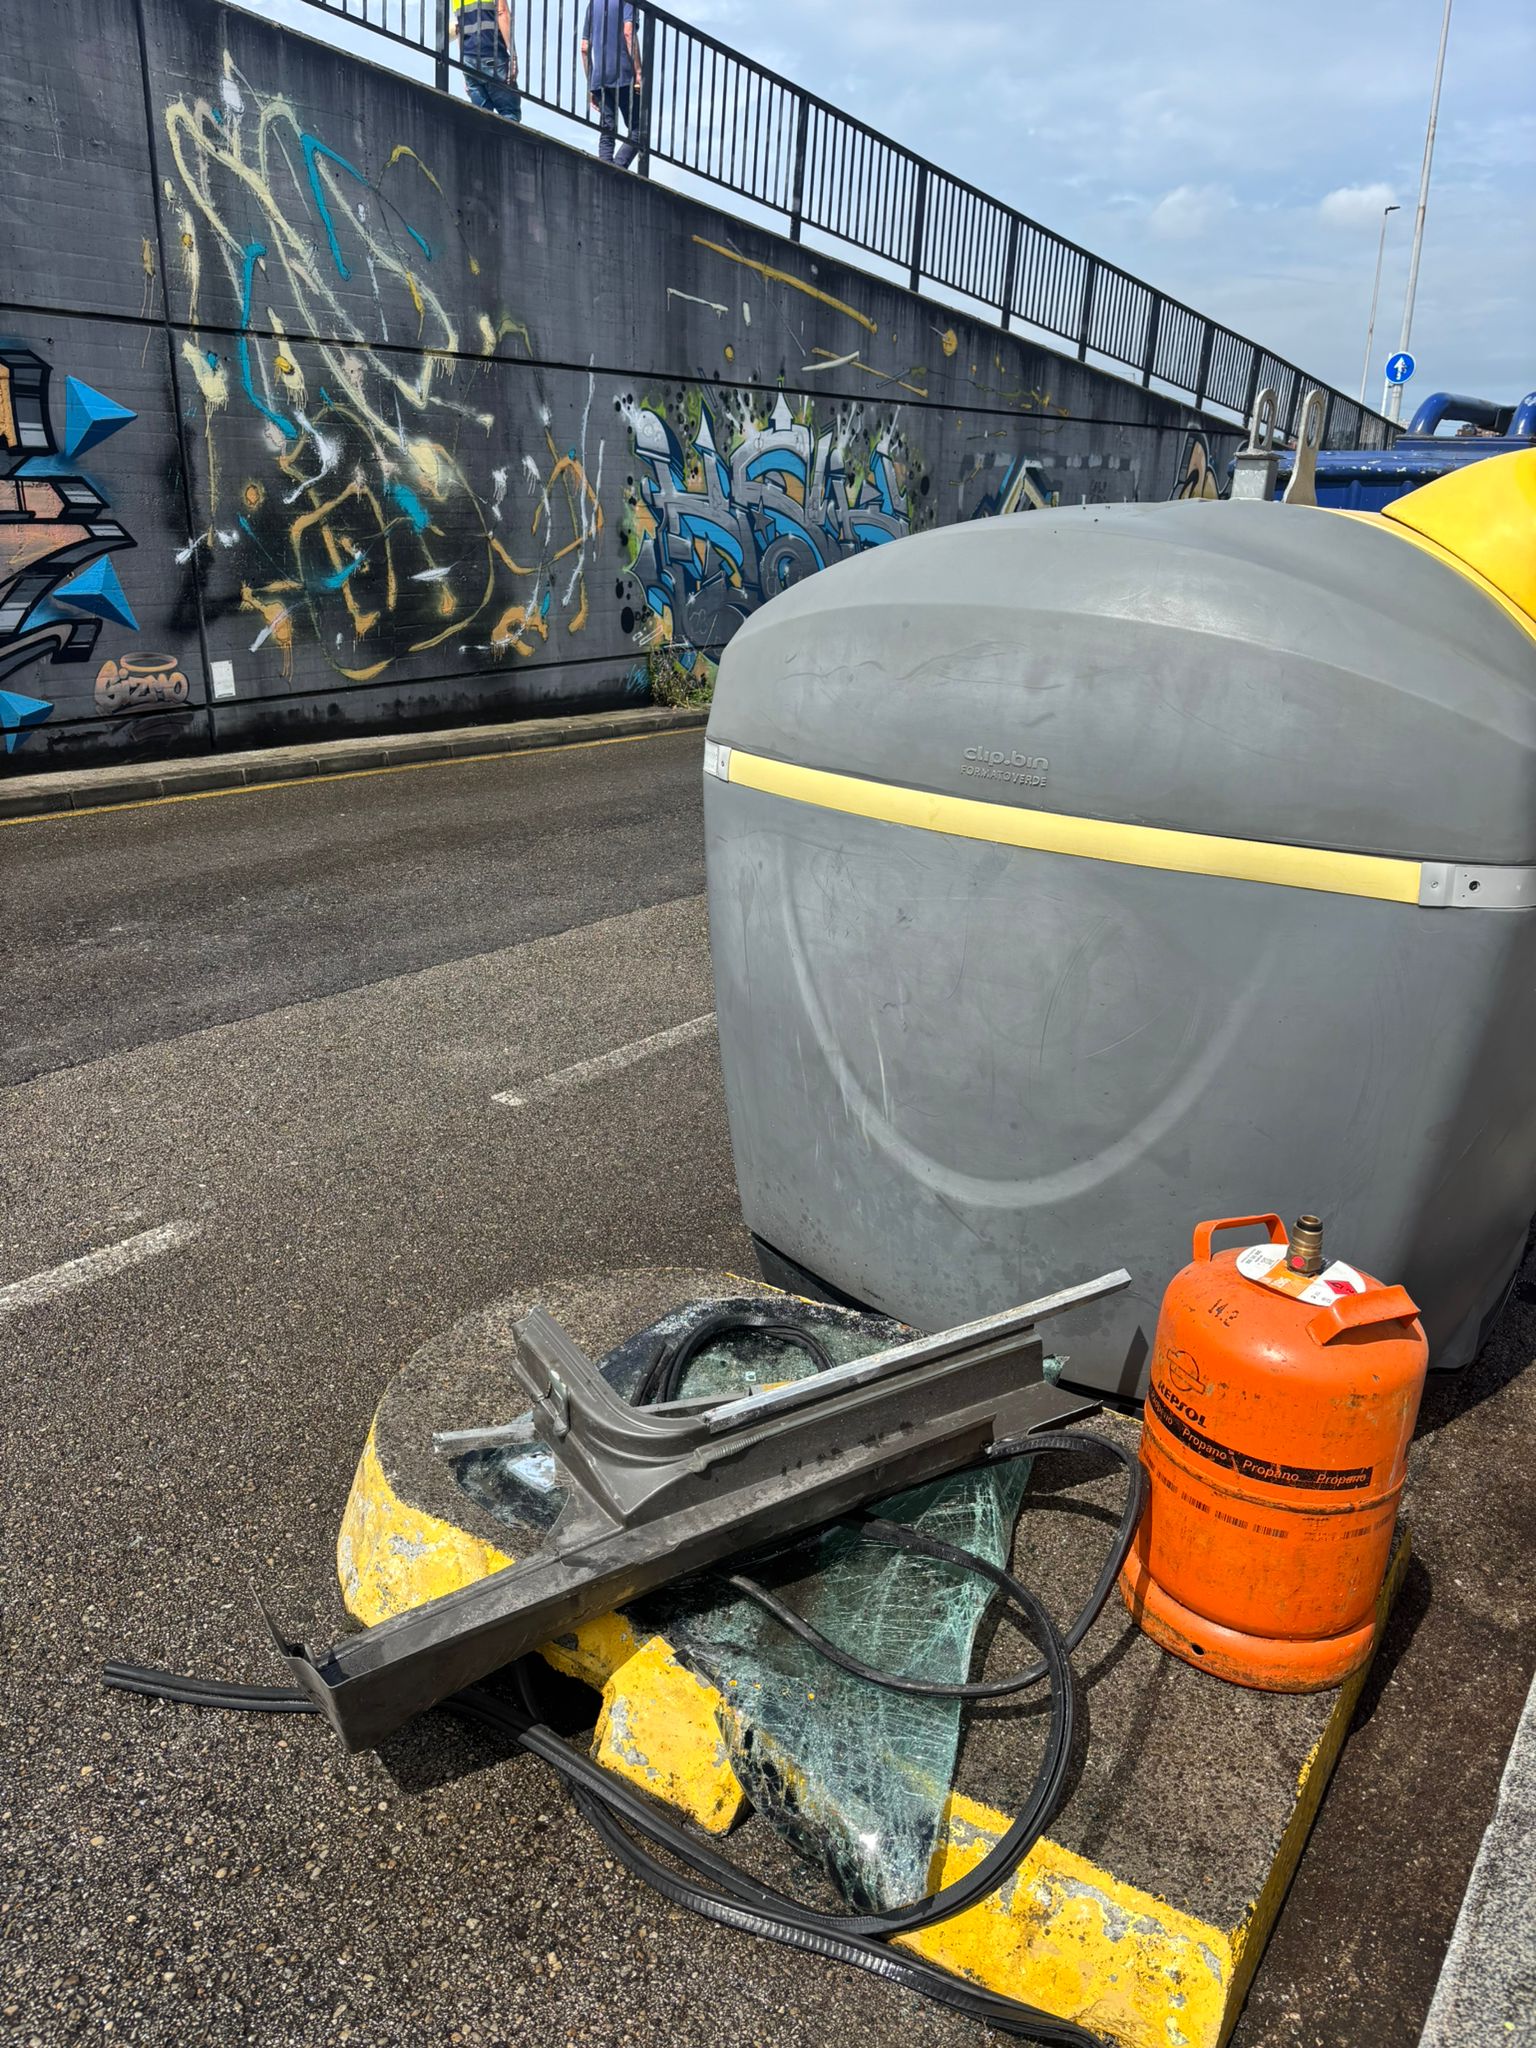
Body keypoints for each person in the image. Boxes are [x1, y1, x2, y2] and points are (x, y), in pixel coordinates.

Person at [580, 0, 646, 171]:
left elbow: (584, 48)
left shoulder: (593, 4)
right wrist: (638, 72)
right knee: (638, 128)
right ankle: (618, 168)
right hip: (623, 73)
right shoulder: (628, 2)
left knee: (608, 128)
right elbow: (628, 32)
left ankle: (604, 169)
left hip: (599, 77)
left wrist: (591, 85)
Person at [454, 0, 522, 123]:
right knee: (509, 114)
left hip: (468, 58)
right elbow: (502, 12)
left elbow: (460, 28)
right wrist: (513, 56)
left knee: (482, 118)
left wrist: (464, 67)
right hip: (492, 54)